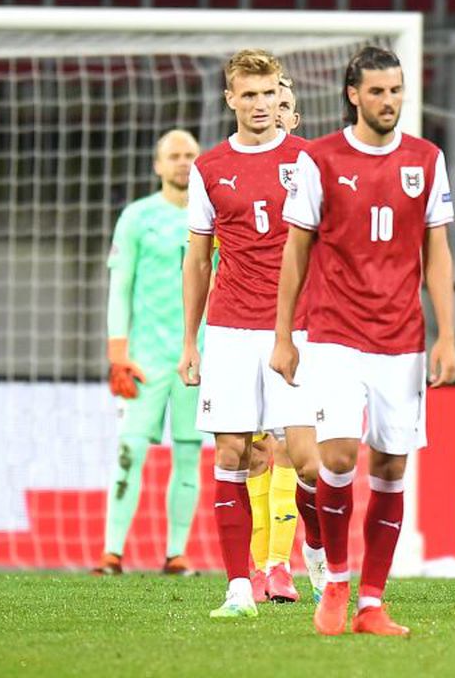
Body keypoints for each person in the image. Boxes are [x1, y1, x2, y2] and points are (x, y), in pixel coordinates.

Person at [272, 45, 455, 637]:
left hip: (402, 338)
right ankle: (334, 583)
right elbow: (296, 249)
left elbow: (438, 252)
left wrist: (447, 335)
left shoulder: (427, 160)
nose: (389, 101)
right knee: (337, 455)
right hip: (333, 333)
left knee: (391, 466)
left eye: (397, 90)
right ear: (354, 94)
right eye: (377, 91)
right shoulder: (321, 158)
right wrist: (284, 336)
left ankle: (372, 603)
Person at [180, 49, 324, 619]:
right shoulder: (209, 168)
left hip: (300, 327)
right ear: (231, 99)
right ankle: (239, 587)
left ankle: (315, 553)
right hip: (232, 328)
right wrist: (191, 342)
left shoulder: (311, 160)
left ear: (279, 97)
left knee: (309, 462)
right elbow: (197, 261)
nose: (261, 105)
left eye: (269, 94)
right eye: (250, 94)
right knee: (233, 452)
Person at [95, 129, 203, 577]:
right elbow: (120, 287)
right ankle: (111, 553)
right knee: (130, 450)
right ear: (157, 165)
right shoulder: (137, 217)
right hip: (145, 358)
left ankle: (176, 553)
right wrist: (118, 351)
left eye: (190, 155)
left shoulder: (209, 217)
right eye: (174, 156)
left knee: (189, 451)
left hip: (196, 358)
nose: (183, 162)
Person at [247, 74, 308, 603]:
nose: (278, 111)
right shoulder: (235, 172)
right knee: (253, 450)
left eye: (285, 103)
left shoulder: (312, 169)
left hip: (302, 325)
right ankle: (261, 565)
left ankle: (280, 565)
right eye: (269, 101)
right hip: (242, 324)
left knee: (289, 446)